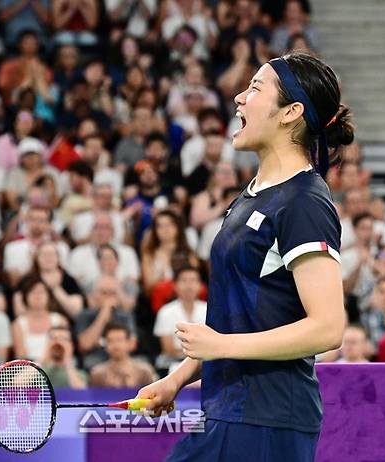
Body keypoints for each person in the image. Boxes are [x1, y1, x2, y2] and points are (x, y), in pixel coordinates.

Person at [136, 53, 352, 461]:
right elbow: (236, 318)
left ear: (291, 112)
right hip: (228, 413)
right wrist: (178, 379)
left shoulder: (304, 202)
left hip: (267, 420)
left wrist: (221, 346)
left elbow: (328, 328)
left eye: (255, 87)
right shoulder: (252, 195)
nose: (238, 97)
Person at [75, 275, 137, 370]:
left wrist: (102, 343)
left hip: (122, 358)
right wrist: (103, 316)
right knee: (91, 363)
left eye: (112, 293)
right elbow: (85, 345)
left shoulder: (125, 316)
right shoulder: (84, 315)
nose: (108, 297)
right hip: (95, 359)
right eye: (104, 293)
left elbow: (132, 344)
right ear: (95, 295)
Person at [153, 266, 207, 367]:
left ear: (200, 286)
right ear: (175, 286)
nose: (189, 285)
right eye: (184, 280)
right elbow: (168, 349)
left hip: (204, 361)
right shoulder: (165, 311)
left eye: (193, 280)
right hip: (173, 363)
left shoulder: (208, 309)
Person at [12, 276, 69, 361]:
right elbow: (21, 357)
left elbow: (65, 351)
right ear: (25, 297)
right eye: (33, 292)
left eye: (41, 292)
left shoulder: (60, 320)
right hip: (29, 370)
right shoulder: (18, 324)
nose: (38, 296)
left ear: (48, 296)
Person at [90, 322, 157, 387]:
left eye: (119, 340)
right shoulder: (97, 373)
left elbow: (153, 394)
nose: (115, 345)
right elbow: (92, 397)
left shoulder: (144, 371)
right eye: (110, 341)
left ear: (129, 342)